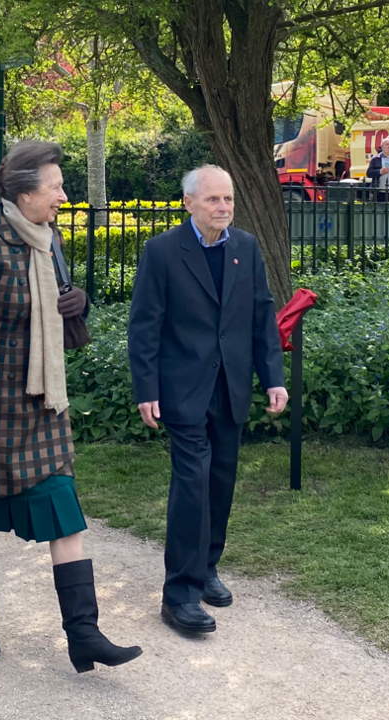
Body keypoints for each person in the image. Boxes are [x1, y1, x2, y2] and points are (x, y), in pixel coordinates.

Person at [0, 140, 142, 673]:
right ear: (25, 191)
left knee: (63, 510)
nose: (63, 194)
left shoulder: (48, 241)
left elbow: (55, 320)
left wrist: (77, 303)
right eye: (55, 185)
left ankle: (84, 633)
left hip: (42, 407)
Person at [127, 164, 288, 636]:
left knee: (220, 482)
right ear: (189, 203)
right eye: (213, 199)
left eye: (228, 200)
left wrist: (272, 378)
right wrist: (147, 389)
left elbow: (262, 318)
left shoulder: (246, 248)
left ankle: (207, 568)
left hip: (231, 387)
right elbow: (144, 327)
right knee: (193, 481)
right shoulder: (161, 252)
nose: (223, 207)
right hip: (183, 389)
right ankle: (179, 593)